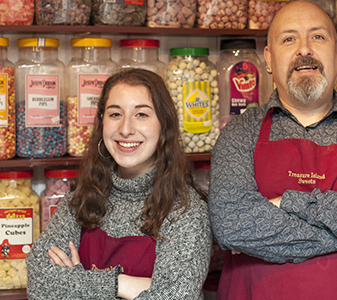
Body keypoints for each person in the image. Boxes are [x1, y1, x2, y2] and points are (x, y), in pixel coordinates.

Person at [208, 1, 337, 299]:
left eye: (317, 37)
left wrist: (283, 204)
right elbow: (233, 225)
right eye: (289, 39)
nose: (304, 49)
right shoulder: (240, 133)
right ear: (268, 57)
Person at [26, 68, 212, 300]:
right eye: (115, 114)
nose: (125, 129)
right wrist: (122, 284)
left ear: (164, 125)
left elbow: (175, 297)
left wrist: (76, 282)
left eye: (141, 115)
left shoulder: (186, 210)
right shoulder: (80, 198)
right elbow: (39, 283)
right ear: (102, 121)